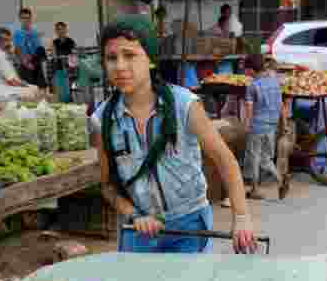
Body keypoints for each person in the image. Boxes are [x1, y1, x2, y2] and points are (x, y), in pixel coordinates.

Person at [91, 16, 257, 254]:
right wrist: (134, 214)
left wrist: (241, 217)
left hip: (189, 224)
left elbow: (225, 160)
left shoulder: (183, 105)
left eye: (130, 55)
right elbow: (108, 186)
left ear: (149, 59)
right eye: (111, 58)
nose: (120, 66)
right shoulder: (103, 120)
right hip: (138, 231)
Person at [242, 54, 285, 201]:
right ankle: (280, 179)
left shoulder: (252, 86)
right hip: (271, 126)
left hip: (257, 126)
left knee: (254, 157)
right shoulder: (274, 82)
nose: (245, 73)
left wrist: (246, 125)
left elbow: (249, 108)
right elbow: (281, 105)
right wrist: (282, 124)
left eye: (246, 70)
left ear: (251, 70)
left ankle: (255, 190)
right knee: (266, 158)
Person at [14, 8, 47, 89]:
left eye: (28, 18)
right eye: (23, 18)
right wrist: (26, 63)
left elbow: (38, 49)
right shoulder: (17, 33)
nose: (26, 20)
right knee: (28, 90)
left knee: (41, 89)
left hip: (36, 64)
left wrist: (36, 62)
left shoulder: (35, 33)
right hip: (25, 65)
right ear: (20, 19)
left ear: (31, 18)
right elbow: (18, 51)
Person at [51, 22, 76, 103]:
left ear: (65, 30)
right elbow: (54, 56)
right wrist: (57, 57)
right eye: (58, 29)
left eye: (62, 29)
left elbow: (74, 56)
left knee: (68, 93)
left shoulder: (71, 42)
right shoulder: (54, 42)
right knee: (59, 93)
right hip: (58, 71)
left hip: (68, 71)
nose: (60, 31)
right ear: (56, 31)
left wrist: (68, 58)